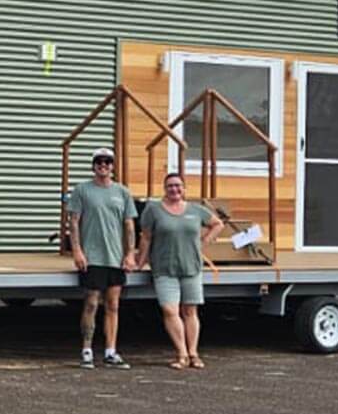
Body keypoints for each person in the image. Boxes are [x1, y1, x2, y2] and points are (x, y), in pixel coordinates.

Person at [136, 171, 224, 370]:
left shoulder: (195, 210)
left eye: (178, 186)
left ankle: (193, 353)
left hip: (191, 267)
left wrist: (203, 242)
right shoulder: (154, 210)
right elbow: (146, 237)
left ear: (184, 189)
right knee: (170, 309)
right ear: (165, 189)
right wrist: (140, 262)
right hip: (164, 268)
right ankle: (181, 353)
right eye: (170, 186)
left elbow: (218, 224)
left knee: (190, 310)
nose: (174, 189)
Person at [68, 146, 137, 369]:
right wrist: (77, 250)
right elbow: (74, 222)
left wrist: (129, 253)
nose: (103, 166)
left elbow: (129, 225)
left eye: (107, 162)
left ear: (113, 166)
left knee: (113, 305)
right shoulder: (82, 190)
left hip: (115, 258)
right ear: (93, 165)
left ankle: (110, 350)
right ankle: (87, 350)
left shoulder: (122, 192)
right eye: (99, 161)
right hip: (93, 257)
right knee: (90, 303)